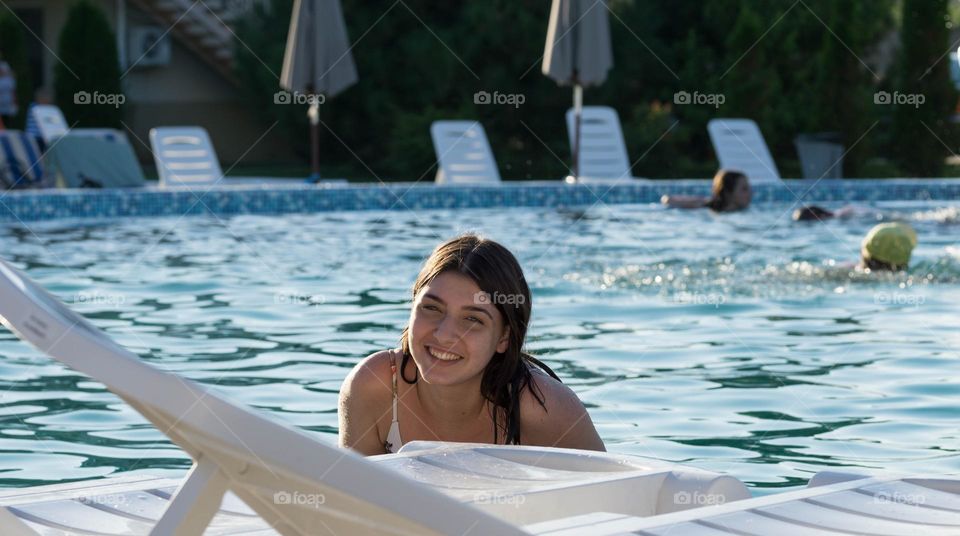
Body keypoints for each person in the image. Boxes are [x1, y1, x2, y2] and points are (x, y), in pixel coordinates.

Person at [339, 234, 605, 456]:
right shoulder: (376, 387)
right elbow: (349, 504)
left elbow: (617, 502)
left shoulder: (544, 409)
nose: (444, 335)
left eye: (472, 319)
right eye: (432, 308)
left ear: (504, 338)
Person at [661, 169, 751, 212]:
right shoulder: (706, 206)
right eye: (744, 189)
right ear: (728, 192)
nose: (750, 193)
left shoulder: (744, 210)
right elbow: (668, 200)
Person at [0, 54, 18, 130]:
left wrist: (14, 102)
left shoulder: (9, 80)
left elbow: (13, 92)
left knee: (8, 123)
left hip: (7, 104)